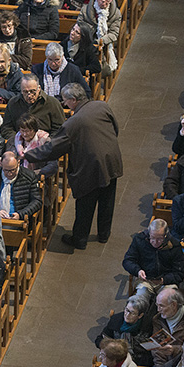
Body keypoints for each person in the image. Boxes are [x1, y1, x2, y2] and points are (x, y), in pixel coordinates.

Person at [22, 83, 121, 248]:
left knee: (85, 206)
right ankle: (104, 235)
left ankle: (80, 240)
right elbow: (115, 129)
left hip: (89, 168)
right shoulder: (102, 105)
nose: (64, 104)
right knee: (107, 201)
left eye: (66, 100)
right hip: (112, 161)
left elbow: (53, 148)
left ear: (74, 100)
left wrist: (28, 155)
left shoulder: (74, 122)